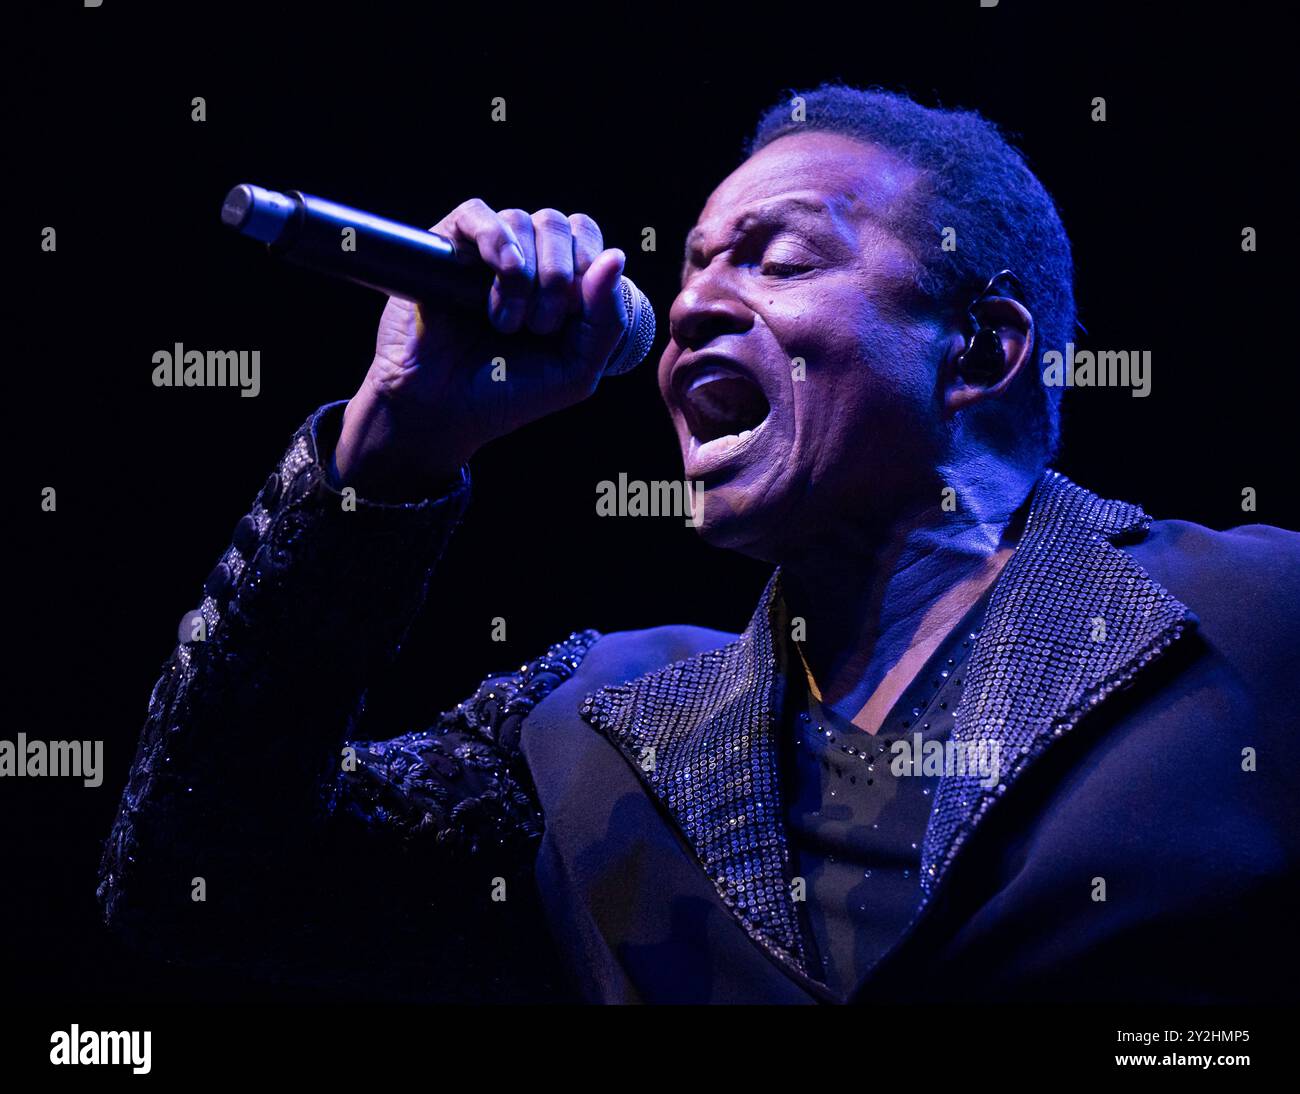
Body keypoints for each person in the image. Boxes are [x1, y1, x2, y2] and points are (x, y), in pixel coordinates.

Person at [98, 85, 1300, 1004]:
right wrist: (397, 444)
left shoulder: (1258, 621)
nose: (686, 310)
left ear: (980, 348)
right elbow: (193, 885)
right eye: (687, 274)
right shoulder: (591, 728)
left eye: (777, 260)